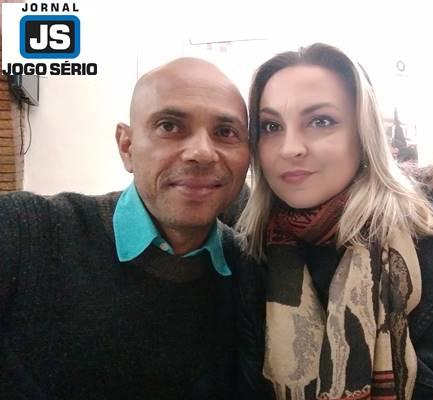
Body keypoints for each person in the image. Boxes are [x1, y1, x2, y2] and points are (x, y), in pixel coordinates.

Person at [236, 43, 433, 400]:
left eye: (320, 121)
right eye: (271, 126)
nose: (290, 148)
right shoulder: (251, 259)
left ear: (364, 134)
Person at [0, 58, 250, 399]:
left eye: (225, 132)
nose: (202, 153)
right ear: (127, 146)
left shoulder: (251, 272)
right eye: (169, 126)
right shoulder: (28, 234)